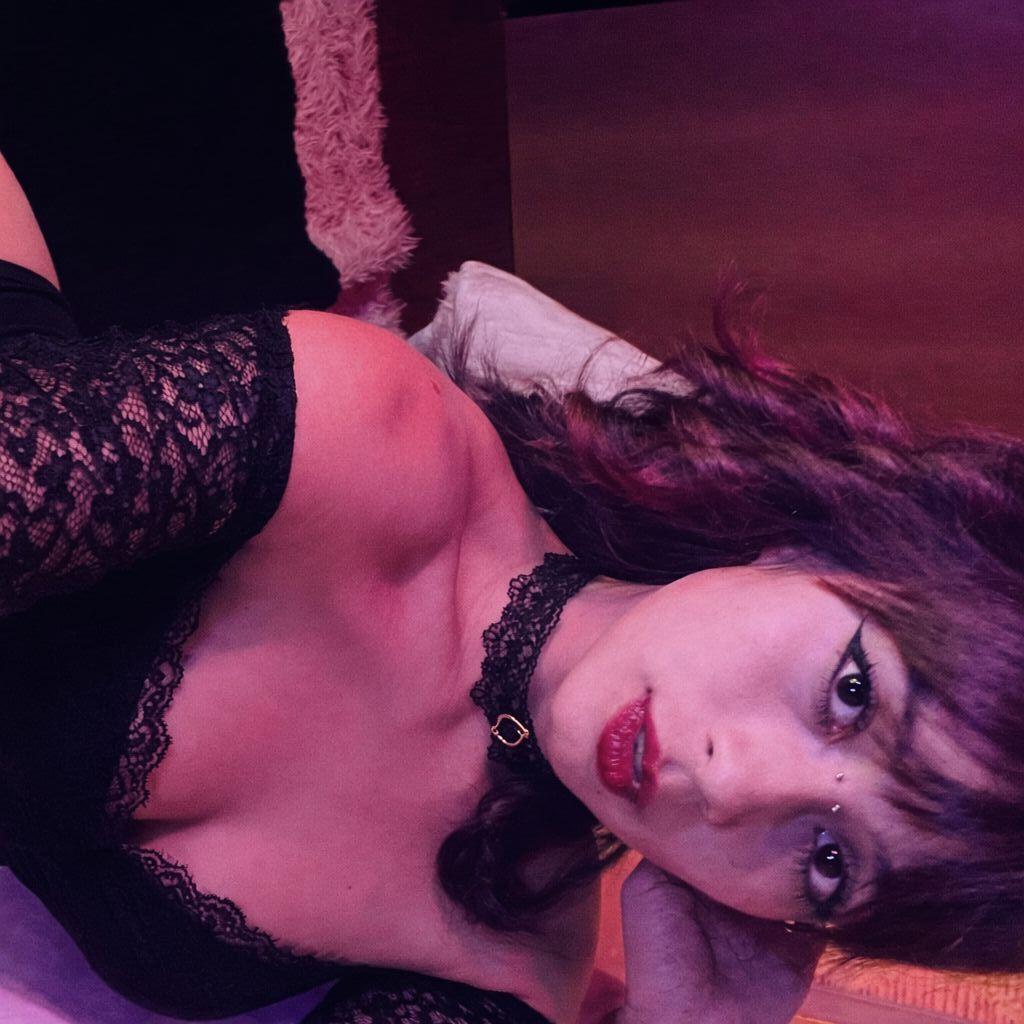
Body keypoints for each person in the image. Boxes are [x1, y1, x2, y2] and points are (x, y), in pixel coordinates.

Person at [1, 147, 1021, 1024]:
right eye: (851, 693)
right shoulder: (373, 442)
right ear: (828, 552)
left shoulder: (512, 951)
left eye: (830, 861)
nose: (733, 787)